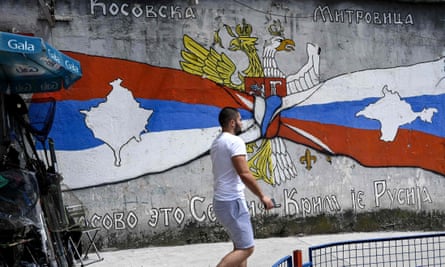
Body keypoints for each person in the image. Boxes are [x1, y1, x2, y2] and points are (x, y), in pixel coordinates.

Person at [211, 106, 274, 267]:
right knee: (247, 248)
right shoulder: (235, 142)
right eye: (239, 120)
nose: (242, 123)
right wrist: (262, 196)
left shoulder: (217, 142)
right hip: (232, 202)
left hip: (222, 202)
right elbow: (244, 174)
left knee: (239, 247)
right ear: (232, 123)